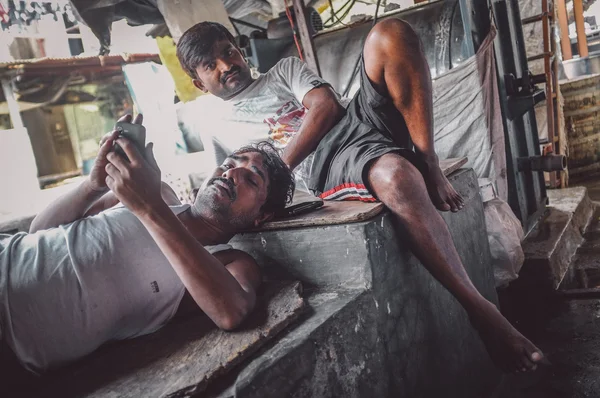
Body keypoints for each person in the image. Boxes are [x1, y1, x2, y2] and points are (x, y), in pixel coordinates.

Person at [175, 21, 545, 373]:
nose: (226, 65)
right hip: (331, 162)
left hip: (354, 120)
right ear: (198, 82)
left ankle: (427, 158)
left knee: (390, 35)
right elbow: (224, 193)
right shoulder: (215, 126)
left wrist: (280, 166)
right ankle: (481, 312)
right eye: (211, 65)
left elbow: (327, 107)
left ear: (240, 51)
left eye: (229, 52)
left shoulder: (283, 71)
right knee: (397, 178)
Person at [0, 114, 295, 379]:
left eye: (251, 180)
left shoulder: (230, 261)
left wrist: (148, 206)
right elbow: (40, 229)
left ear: (262, 216)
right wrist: (93, 185)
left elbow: (231, 312)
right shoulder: (161, 194)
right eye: (229, 164)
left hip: (15, 348)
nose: (231, 174)